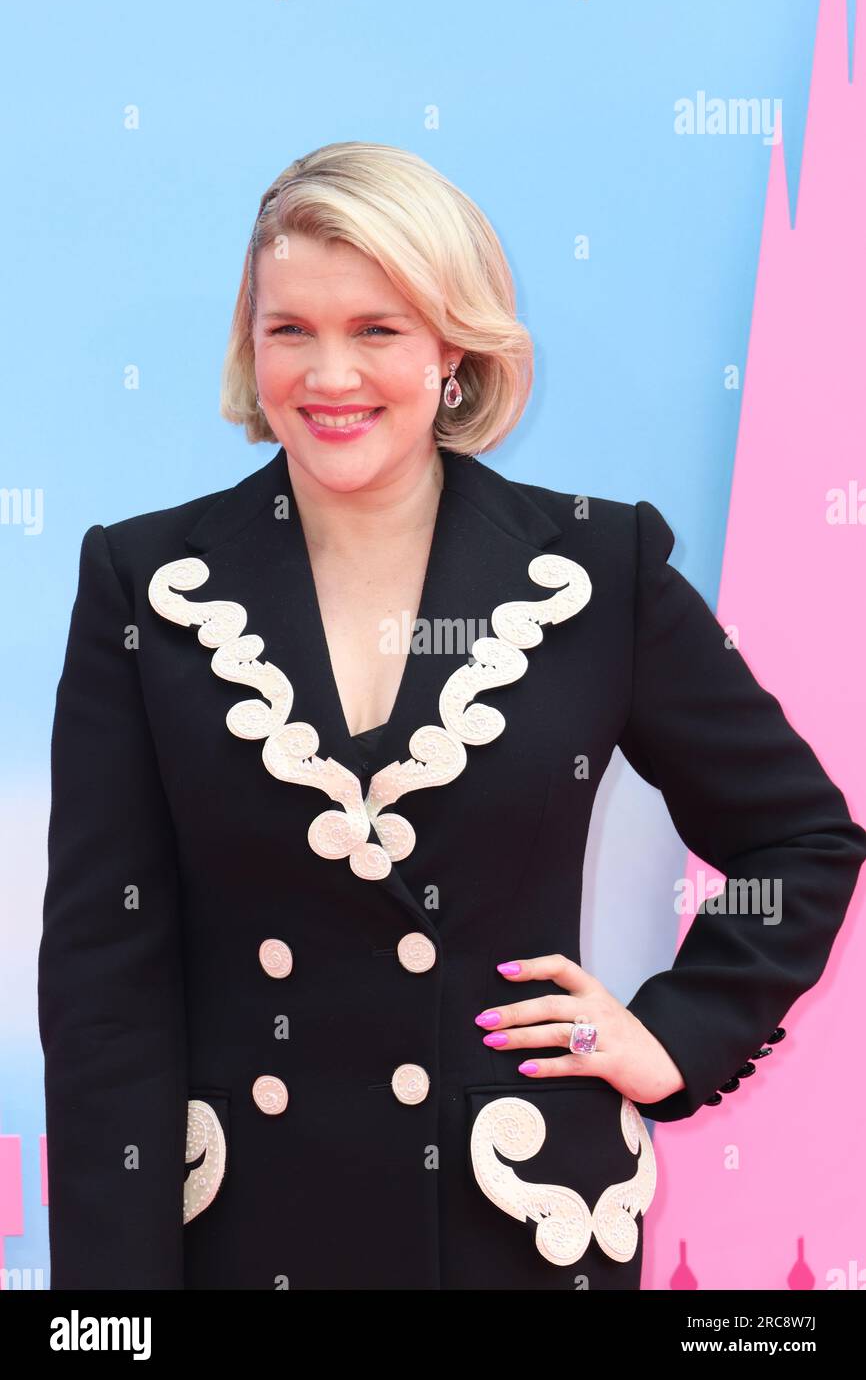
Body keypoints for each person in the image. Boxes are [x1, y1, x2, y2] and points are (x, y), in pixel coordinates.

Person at [38, 141, 866, 1291]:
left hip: (517, 1225)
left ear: (453, 352)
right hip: (245, 1239)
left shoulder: (596, 564)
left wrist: (674, 1032)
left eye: (377, 329)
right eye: (291, 330)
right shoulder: (145, 581)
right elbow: (101, 978)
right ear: (250, 344)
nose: (329, 375)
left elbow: (800, 839)